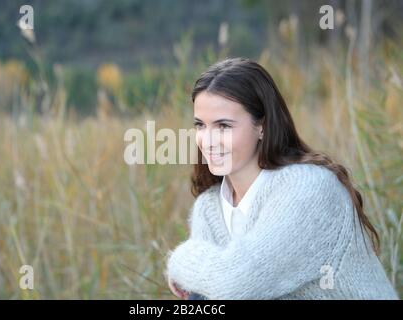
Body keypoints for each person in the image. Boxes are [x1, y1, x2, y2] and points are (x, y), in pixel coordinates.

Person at [165, 57, 398, 300]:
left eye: (223, 126)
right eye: (200, 126)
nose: (208, 141)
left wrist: (179, 261)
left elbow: (236, 282)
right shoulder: (208, 207)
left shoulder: (309, 190)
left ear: (261, 126)